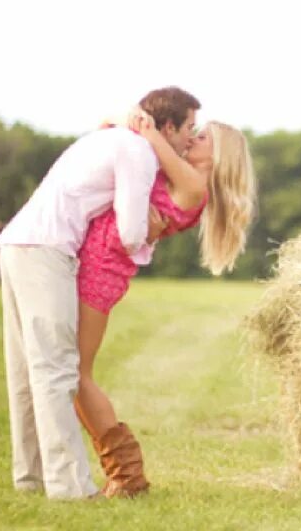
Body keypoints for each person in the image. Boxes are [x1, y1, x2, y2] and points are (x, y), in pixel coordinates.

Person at [0, 86, 200, 499]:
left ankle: (31, 479)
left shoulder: (112, 137)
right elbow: (129, 233)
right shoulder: (138, 153)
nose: (189, 140)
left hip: (17, 244)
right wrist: (153, 229)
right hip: (47, 251)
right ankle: (69, 486)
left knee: (26, 372)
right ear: (169, 126)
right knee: (57, 369)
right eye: (188, 129)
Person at [74, 111, 257, 497]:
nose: (192, 140)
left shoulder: (193, 183)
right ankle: (119, 472)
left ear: (218, 156)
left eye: (202, 137)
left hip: (99, 273)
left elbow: (150, 136)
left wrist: (142, 125)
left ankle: (127, 475)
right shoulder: (181, 176)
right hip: (95, 263)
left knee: (77, 374)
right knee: (70, 373)